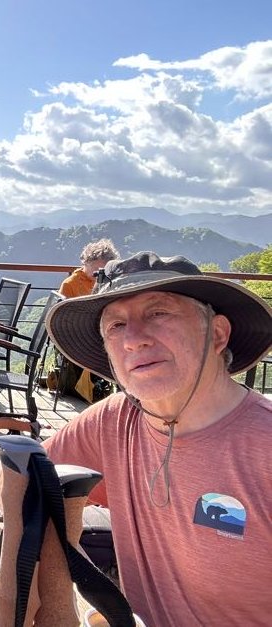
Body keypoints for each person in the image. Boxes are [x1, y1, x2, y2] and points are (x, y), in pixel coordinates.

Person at [43, 251, 272, 626]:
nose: (133, 339)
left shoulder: (264, 448)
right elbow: (26, 479)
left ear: (216, 334)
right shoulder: (114, 420)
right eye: (116, 326)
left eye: (158, 313)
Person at [53, 238, 119, 401]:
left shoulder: (110, 281)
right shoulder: (71, 284)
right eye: (98, 268)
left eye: (105, 269)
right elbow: (62, 318)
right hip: (78, 335)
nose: (100, 272)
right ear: (87, 262)